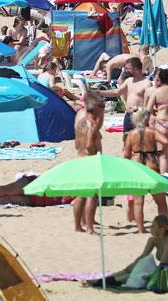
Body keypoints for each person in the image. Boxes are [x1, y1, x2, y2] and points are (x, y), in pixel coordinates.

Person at [102, 215, 168, 290]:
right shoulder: (153, 240)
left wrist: (133, 271)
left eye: (153, 226)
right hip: (164, 271)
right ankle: (104, 280)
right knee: (128, 272)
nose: (150, 228)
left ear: (161, 230)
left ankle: (107, 281)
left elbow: (163, 264)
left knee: (132, 275)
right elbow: (143, 256)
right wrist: (128, 268)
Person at [124, 110, 168, 233]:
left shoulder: (131, 134)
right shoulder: (152, 131)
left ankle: (141, 229)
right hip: (151, 165)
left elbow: (126, 154)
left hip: (137, 166)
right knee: (161, 202)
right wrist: (161, 152)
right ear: (146, 119)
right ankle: (163, 228)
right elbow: (165, 142)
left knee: (138, 203)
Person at [99, 57, 152, 142]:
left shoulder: (147, 84)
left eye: (127, 68)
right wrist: (100, 92)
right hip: (128, 116)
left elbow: (149, 104)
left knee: (139, 143)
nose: (125, 70)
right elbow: (117, 92)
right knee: (126, 142)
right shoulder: (129, 81)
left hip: (140, 116)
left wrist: (146, 119)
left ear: (136, 69)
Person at [73, 93, 104, 234]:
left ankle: (78, 226)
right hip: (89, 160)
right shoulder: (92, 125)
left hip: (79, 159)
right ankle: (90, 227)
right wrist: (97, 152)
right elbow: (89, 145)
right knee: (93, 196)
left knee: (80, 195)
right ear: (95, 109)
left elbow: (77, 144)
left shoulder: (80, 122)